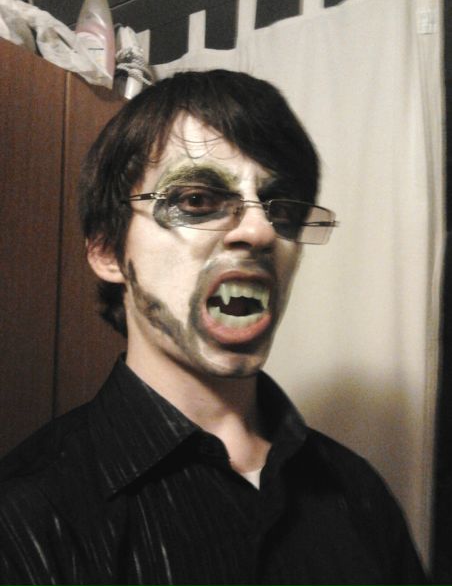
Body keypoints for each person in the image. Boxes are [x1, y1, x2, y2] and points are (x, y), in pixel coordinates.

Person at [0, 70, 428, 585]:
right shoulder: (27, 514)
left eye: (281, 209)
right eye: (198, 201)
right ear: (109, 251)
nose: (260, 231)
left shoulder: (357, 492)